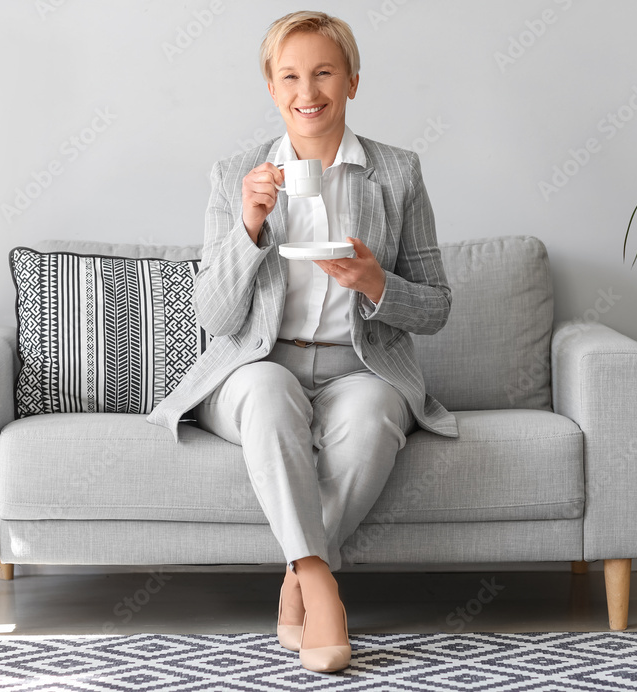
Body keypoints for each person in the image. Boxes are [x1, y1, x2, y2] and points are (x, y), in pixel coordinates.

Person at [148, 10, 457, 673]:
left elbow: (437, 308)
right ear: (270, 86)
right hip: (258, 363)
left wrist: (378, 282)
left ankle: (294, 579)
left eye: (323, 72)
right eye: (289, 76)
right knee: (266, 392)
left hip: (361, 368)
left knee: (375, 418)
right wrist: (250, 229)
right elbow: (214, 313)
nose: (306, 91)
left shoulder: (397, 174)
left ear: (351, 81)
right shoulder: (237, 173)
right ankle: (320, 585)